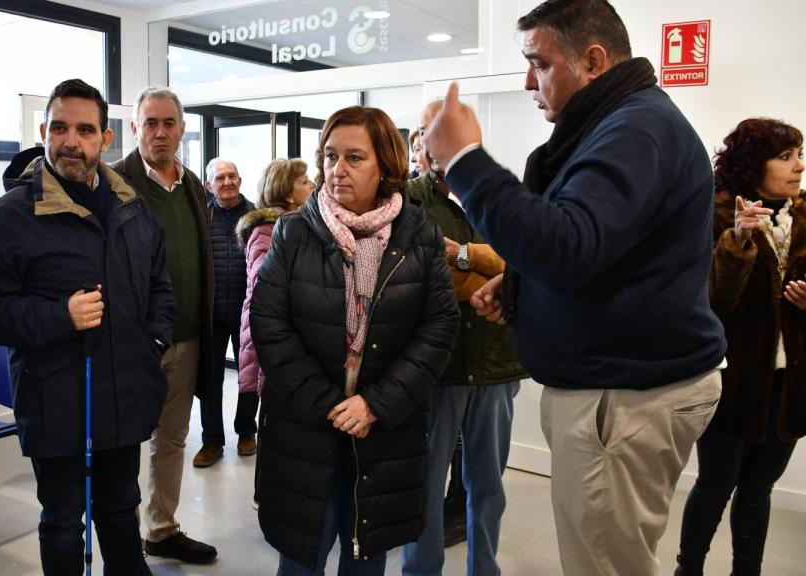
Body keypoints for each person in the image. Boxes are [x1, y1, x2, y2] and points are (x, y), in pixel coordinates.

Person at [422, 0, 727, 574]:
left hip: (624, 396)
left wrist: (462, 158)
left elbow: (567, 249)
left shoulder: (636, 128)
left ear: (592, 60)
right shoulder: (625, 124)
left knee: (604, 566)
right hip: (621, 389)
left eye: (538, 63)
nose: (527, 81)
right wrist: (520, 285)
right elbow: (606, 250)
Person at [0, 79, 172, 575]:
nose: (70, 141)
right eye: (59, 128)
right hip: (56, 400)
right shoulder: (12, 215)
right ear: (43, 131)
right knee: (63, 521)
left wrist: (153, 341)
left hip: (123, 394)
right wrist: (60, 316)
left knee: (121, 510)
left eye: (84, 129)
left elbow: (161, 286)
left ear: (105, 139)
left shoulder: (133, 208)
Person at [251, 106, 459, 575]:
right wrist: (328, 404)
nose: (336, 170)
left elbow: (439, 327)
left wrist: (375, 404)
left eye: (354, 157)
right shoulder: (294, 231)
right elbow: (269, 323)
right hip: (307, 426)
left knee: (366, 554)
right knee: (303, 553)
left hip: (385, 429)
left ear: (386, 164)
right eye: (329, 156)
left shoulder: (420, 234)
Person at [675, 118, 805, 576]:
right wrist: (738, 241)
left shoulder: (804, 216)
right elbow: (713, 300)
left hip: (788, 382)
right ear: (753, 164)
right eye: (785, 156)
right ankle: (687, 569)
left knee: (759, 489)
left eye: (799, 155)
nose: (798, 167)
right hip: (733, 378)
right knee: (716, 483)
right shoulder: (714, 213)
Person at [401, 100, 527, 576]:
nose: (431, 142)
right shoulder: (406, 202)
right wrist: (489, 268)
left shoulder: (496, 194)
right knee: (427, 488)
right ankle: (420, 570)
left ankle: (485, 569)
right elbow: (426, 276)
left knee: (488, 488)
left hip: (497, 366)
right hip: (436, 369)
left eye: (440, 130)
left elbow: (526, 264)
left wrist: (464, 257)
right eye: (423, 132)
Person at [109, 86, 217, 564]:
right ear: (134, 128)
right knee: (126, 441)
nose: (159, 132)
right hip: (134, 342)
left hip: (188, 338)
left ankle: (161, 528)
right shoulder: (112, 184)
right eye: (149, 123)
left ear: (181, 129)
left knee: (171, 438)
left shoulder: (194, 185)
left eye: (168, 123)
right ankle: (123, 540)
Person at [197, 158, 259, 467]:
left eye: (232, 176)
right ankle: (212, 441)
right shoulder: (200, 216)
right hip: (210, 314)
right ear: (209, 185)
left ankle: (247, 431)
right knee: (210, 380)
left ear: (240, 179)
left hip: (247, 312)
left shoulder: (255, 216)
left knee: (248, 376)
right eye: (220, 178)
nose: (227, 182)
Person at [236, 158, 315, 397]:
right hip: (271, 327)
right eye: (304, 181)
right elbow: (265, 283)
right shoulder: (267, 229)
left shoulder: (299, 224)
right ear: (289, 194)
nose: (312, 185)